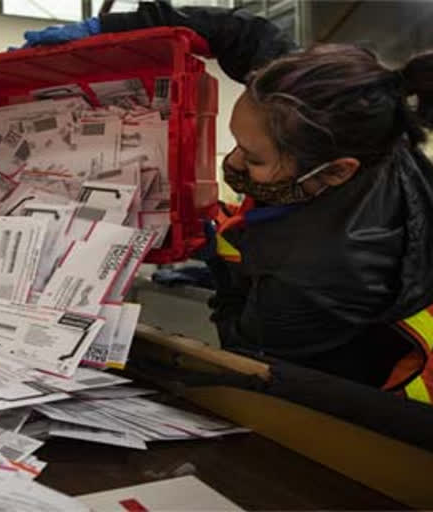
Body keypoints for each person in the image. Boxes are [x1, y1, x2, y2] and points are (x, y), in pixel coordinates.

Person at [23, 2, 433, 404]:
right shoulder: (329, 110)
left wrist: (223, 270)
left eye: (255, 159)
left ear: (337, 171)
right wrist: (110, 28)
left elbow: (247, 355)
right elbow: (241, 33)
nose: (233, 162)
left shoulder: (321, 271)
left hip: (367, 400)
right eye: (237, 144)